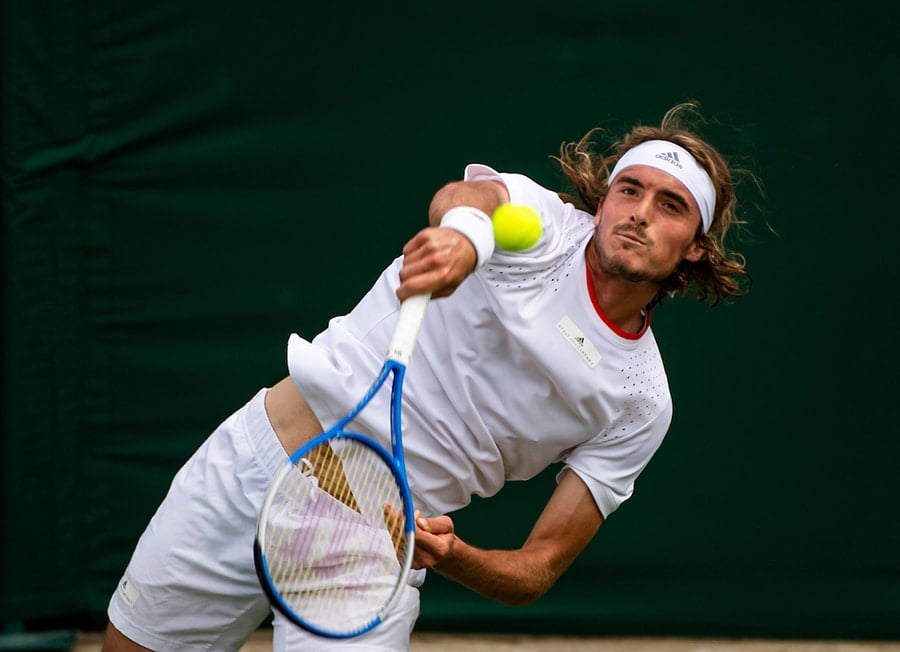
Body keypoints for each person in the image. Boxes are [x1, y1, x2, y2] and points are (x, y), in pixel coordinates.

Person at [102, 102, 750, 651]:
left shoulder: (639, 400)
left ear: (695, 246)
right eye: (628, 190)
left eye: (670, 205)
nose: (639, 212)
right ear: (603, 200)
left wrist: (455, 557)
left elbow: (538, 567)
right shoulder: (543, 228)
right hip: (257, 462)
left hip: (369, 548)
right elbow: (468, 199)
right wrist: (465, 239)